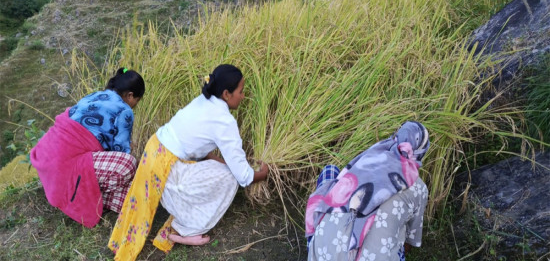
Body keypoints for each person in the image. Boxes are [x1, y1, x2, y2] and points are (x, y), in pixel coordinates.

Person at [108, 64, 269, 260]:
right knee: (230, 177)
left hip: (154, 152)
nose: (243, 96)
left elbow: (205, 153)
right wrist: (264, 173)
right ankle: (188, 230)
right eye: (241, 92)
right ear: (226, 94)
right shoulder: (225, 122)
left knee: (224, 170)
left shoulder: (204, 100)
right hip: (167, 168)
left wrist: (226, 165)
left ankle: (179, 218)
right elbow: (243, 176)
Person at [30, 68, 145, 228]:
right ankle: (82, 196)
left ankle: (87, 195)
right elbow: (121, 151)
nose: (135, 106)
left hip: (49, 159)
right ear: (130, 95)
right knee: (128, 164)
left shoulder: (96, 95)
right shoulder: (125, 110)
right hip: (69, 162)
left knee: (132, 199)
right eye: (137, 101)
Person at [306, 121, 430, 261]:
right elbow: (411, 240)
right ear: (421, 152)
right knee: (397, 238)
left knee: (330, 171)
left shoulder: (369, 159)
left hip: (322, 254)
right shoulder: (419, 188)